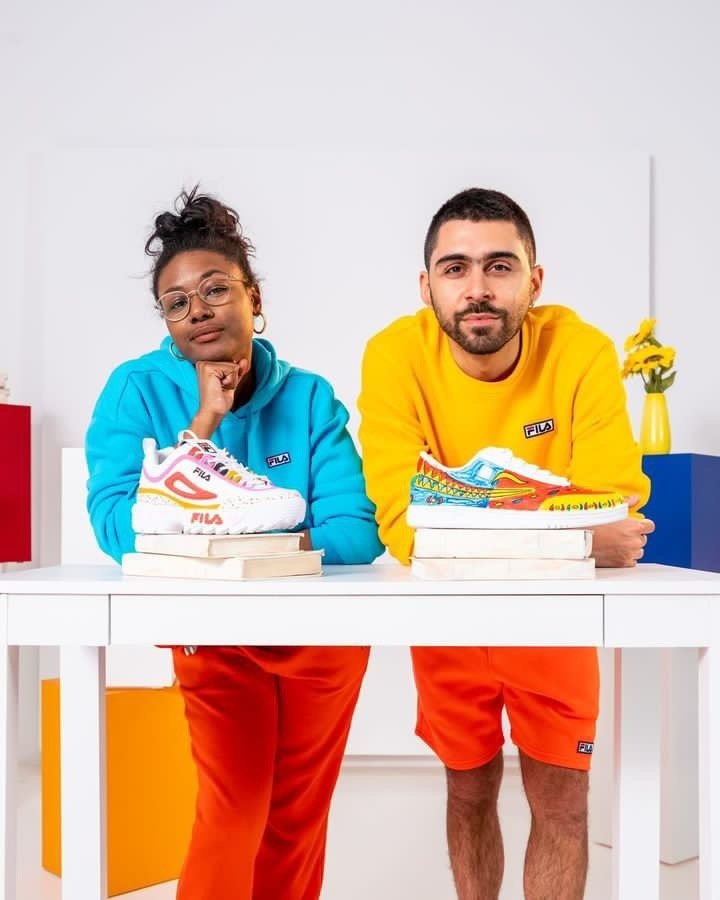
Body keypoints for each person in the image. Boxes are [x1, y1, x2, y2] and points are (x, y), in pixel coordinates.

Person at [86, 188, 383, 900]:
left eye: (216, 289)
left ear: (254, 297)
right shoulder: (136, 390)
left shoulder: (309, 397)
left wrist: (228, 541)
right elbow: (119, 527)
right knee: (235, 810)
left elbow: (357, 532)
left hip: (321, 642)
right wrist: (203, 427)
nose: (198, 311)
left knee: (296, 822)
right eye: (177, 302)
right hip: (212, 634)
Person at [358, 187, 654, 900]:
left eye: (500, 265)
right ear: (426, 286)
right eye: (455, 268)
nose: (478, 288)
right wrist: (568, 532)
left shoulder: (580, 351)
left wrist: (459, 510)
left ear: (534, 279)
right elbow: (406, 528)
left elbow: (614, 505)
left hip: (557, 623)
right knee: (467, 793)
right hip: (448, 619)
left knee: (563, 804)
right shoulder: (395, 355)